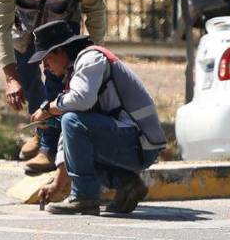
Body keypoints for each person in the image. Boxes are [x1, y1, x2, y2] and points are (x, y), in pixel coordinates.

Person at [0, 0, 107, 173]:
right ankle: (41, 133)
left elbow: (95, 6)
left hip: (62, 31)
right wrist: (10, 76)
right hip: (24, 31)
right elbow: (0, 22)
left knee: (57, 84)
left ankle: (48, 150)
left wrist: (95, 53)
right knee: (28, 79)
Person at [30, 20, 166, 215]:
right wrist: (57, 184)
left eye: (47, 59)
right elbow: (71, 134)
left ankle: (84, 197)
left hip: (140, 144)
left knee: (71, 122)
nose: (46, 67)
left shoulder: (90, 59)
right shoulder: (77, 71)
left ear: (60, 51)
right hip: (133, 142)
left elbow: (81, 102)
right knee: (71, 125)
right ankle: (127, 184)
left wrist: (48, 108)